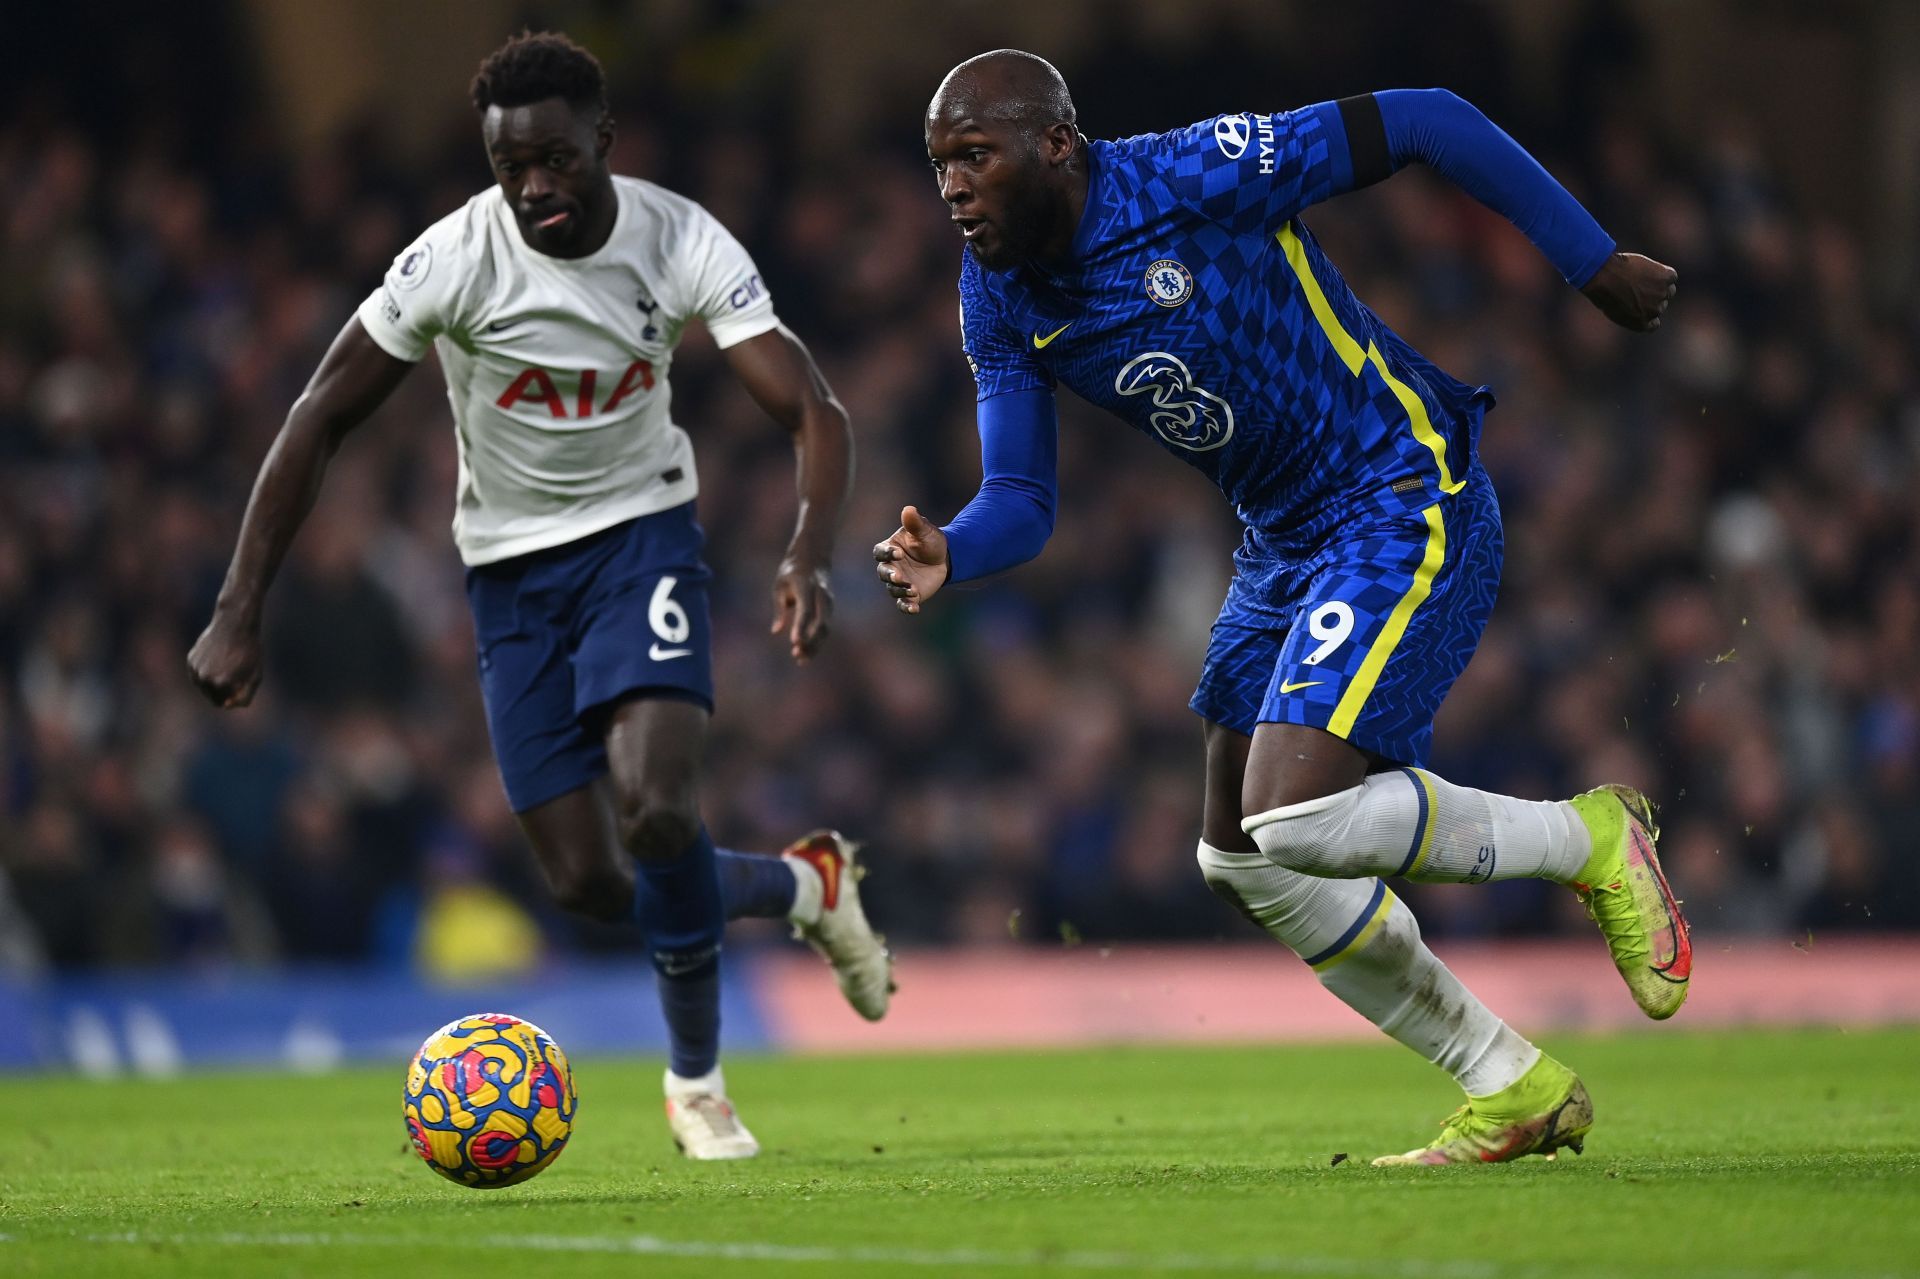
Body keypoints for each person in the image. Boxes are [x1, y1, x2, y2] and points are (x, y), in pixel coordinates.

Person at [877, 50, 1688, 1165]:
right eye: (939, 166)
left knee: (1295, 817)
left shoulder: (1193, 175)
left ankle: (1588, 837)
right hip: (1283, 544)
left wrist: (1588, 261)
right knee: (1241, 857)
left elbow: (1424, 116)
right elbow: (1021, 497)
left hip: (1398, 485)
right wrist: (953, 553)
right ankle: (1510, 1082)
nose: (953, 188)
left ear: (1056, 142)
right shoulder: (999, 295)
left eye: (974, 155)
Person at [188, 31, 892, 1161]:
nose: (533, 188)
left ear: (602, 143)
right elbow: (316, 414)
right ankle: (804, 887)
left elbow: (813, 409)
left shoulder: (680, 240)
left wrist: (808, 553)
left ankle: (698, 1083)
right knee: (593, 882)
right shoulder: (454, 260)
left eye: (557, 161)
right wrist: (238, 603)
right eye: (511, 168)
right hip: (510, 577)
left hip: (642, 542)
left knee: (656, 805)